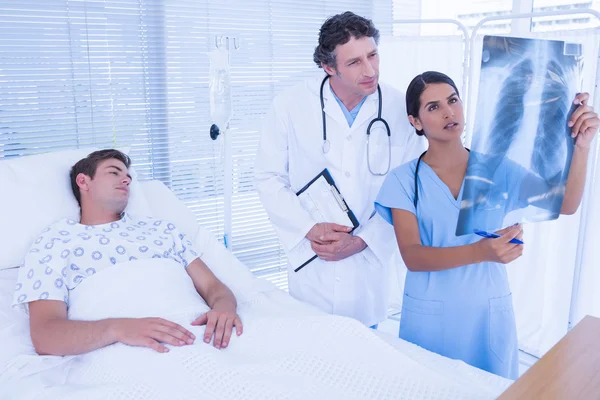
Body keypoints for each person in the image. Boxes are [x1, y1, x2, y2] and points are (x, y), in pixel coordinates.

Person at [374, 71, 599, 379]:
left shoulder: (498, 169)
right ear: (415, 121)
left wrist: (583, 146)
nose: (449, 112)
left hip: (487, 316)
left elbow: (567, 203)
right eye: (433, 107)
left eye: (453, 100)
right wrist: (481, 251)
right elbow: (413, 257)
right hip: (430, 320)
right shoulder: (403, 180)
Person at [254, 11, 425, 327]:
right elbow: (268, 177)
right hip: (312, 265)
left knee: (367, 352)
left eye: (372, 55)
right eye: (355, 62)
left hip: (367, 272)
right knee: (312, 349)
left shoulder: (400, 110)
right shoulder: (290, 105)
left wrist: (364, 240)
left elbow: (410, 189)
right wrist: (308, 226)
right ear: (328, 67)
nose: (370, 70)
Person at [12, 149, 243, 356]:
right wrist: (118, 328)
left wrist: (224, 308)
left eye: (128, 177)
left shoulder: (162, 229)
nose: (126, 180)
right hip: (128, 351)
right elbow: (46, 335)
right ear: (83, 181)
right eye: (114, 173)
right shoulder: (54, 241)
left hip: (202, 334)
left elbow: (214, 288)